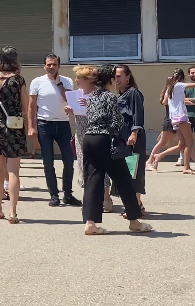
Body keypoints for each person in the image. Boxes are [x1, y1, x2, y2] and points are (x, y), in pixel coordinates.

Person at [76, 65, 151, 235]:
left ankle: (90, 223)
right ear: (110, 80)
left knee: (93, 181)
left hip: (89, 138)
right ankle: (134, 221)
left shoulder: (92, 96)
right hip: (105, 140)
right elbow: (116, 122)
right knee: (124, 179)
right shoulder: (110, 97)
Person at [0, 47, 31, 223]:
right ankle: (13, 212)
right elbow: (25, 108)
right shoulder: (18, 80)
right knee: (13, 171)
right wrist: (28, 127)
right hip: (14, 126)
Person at [28, 54, 80, 208]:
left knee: (69, 161)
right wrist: (31, 127)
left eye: (54, 64)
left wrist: (59, 85)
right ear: (44, 66)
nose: (51, 67)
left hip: (63, 124)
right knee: (48, 162)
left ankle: (68, 194)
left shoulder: (67, 81)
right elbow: (31, 106)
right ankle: (54, 195)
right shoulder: (37, 82)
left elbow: (69, 100)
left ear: (59, 66)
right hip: (45, 124)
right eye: (49, 64)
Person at [148, 68, 195, 174]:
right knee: (189, 143)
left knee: (182, 144)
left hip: (174, 118)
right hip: (181, 118)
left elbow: (167, 102)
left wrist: (189, 103)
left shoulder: (170, 88)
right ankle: (186, 167)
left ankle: (159, 156)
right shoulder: (179, 85)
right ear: (182, 77)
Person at [114, 64, 147, 212]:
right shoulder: (121, 95)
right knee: (125, 172)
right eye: (115, 76)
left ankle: (137, 204)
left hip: (132, 138)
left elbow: (137, 115)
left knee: (134, 171)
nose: (116, 79)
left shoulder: (133, 93)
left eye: (119, 76)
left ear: (128, 77)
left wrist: (134, 133)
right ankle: (132, 204)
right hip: (121, 138)